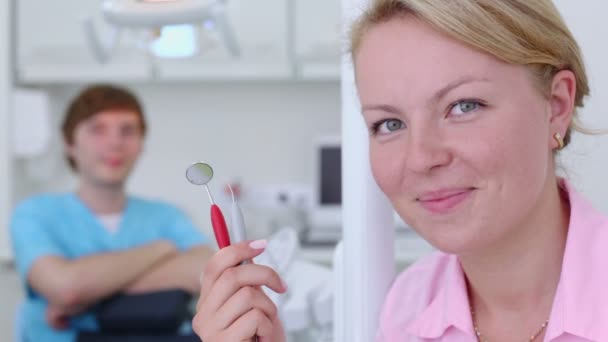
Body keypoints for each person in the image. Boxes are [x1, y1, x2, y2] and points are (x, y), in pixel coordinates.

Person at [192, 0, 608, 341]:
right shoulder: (408, 306)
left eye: (463, 106)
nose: (421, 158)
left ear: (556, 106)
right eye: (389, 124)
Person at [10, 84, 213, 342]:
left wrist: (85, 296)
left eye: (128, 130)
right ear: (69, 143)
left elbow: (205, 271)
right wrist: (162, 248)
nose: (115, 142)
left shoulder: (166, 215)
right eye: (98, 129)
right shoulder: (34, 214)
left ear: (141, 144)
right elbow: (65, 287)